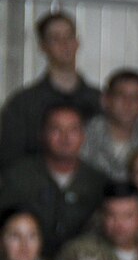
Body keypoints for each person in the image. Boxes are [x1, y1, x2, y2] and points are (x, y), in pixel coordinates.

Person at [0, 103, 109, 260]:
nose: (65, 138)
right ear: (42, 134)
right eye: (56, 129)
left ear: (83, 135)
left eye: (73, 130)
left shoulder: (99, 182)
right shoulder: (17, 177)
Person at [0, 11, 102, 168]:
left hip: (91, 190)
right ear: (43, 47)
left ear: (77, 42)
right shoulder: (22, 105)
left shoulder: (100, 101)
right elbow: (10, 160)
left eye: (69, 36)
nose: (64, 44)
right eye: (55, 38)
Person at [82, 68, 138, 180]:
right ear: (105, 100)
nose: (128, 103)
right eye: (121, 95)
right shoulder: (82, 137)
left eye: (135, 97)